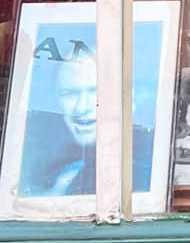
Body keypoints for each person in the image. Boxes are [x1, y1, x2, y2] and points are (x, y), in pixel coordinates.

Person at [19, 40, 153, 200]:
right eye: (69, 93)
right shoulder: (53, 175)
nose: (81, 107)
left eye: (94, 91)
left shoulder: (149, 168)